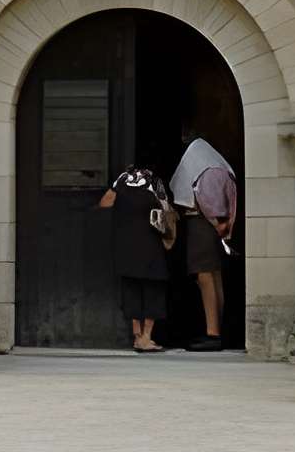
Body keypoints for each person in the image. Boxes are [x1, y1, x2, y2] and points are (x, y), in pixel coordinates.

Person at [96, 157, 179, 354]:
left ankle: (136, 336)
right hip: (149, 243)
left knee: (131, 286)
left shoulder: (122, 179)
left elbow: (105, 203)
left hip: (126, 243)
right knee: (153, 288)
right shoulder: (155, 182)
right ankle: (146, 337)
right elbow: (166, 210)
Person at [167, 134, 240, 352]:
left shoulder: (204, 171)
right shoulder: (217, 166)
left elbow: (210, 203)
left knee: (205, 277)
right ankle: (216, 330)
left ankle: (213, 333)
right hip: (209, 227)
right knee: (213, 276)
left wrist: (217, 222)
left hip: (202, 225)